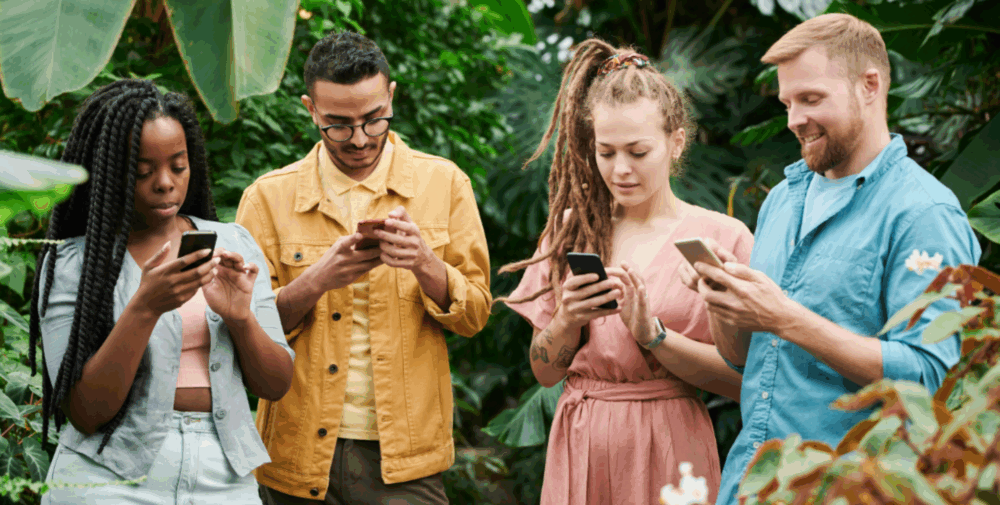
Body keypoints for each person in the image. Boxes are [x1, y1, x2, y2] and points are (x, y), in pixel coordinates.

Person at [675, 13, 983, 504]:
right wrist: (723, 301)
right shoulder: (782, 199)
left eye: (811, 99)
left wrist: (785, 318)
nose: (795, 118)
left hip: (848, 489)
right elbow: (744, 359)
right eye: (788, 103)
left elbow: (929, 379)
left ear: (869, 85)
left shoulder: (924, 213)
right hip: (749, 484)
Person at [236, 31, 492, 504]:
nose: (359, 139)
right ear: (310, 109)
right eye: (337, 124)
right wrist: (316, 280)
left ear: (391, 96)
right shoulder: (267, 199)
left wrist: (425, 264)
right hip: (294, 453)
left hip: (406, 458)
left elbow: (476, 315)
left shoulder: (445, 183)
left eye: (374, 120)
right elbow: (244, 335)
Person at [496, 39, 754, 505]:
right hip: (581, 440)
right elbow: (545, 372)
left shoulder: (722, 238)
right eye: (606, 151)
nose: (620, 170)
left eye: (638, 151)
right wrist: (568, 320)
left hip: (670, 442)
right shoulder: (572, 229)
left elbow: (742, 382)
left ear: (676, 142)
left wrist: (654, 337)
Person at [29, 79, 295, 504]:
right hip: (108, 476)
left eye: (178, 165)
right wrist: (145, 308)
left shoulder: (234, 244)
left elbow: (276, 384)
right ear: (108, 172)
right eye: (142, 171)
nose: (165, 183)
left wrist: (241, 319)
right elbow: (86, 412)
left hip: (221, 473)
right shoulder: (73, 264)